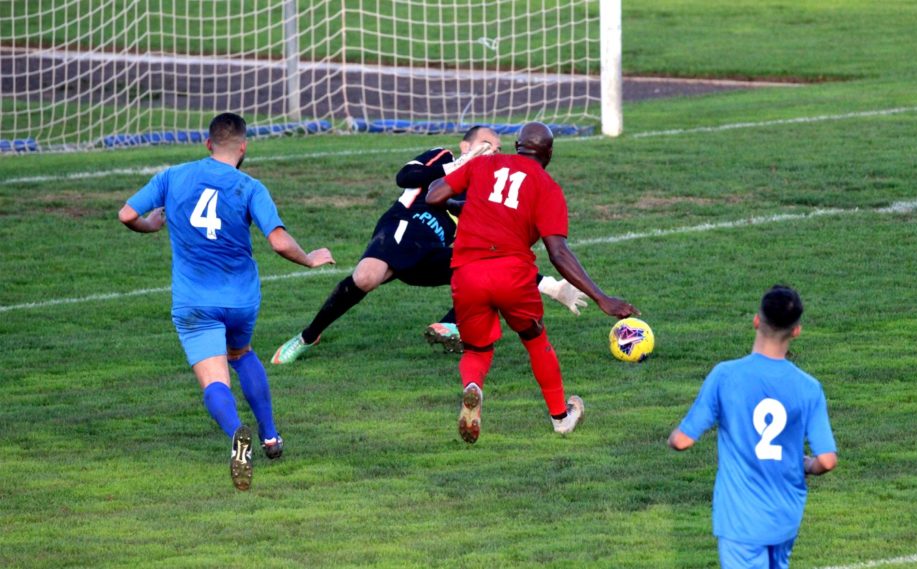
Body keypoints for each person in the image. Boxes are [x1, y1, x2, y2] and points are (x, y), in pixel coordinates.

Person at [118, 112, 334, 491]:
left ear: (207, 144)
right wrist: (311, 257)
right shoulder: (250, 187)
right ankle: (270, 437)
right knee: (241, 353)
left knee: (214, 380)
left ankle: (238, 434)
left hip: (194, 303)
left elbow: (127, 214)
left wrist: (150, 224)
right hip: (240, 300)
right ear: (244, 146)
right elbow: (279, 242)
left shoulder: (173, 176)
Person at [271, 126, 587, 364]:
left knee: (488, 270)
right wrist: (458, 163)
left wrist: (552, 286)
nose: (491, 151)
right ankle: (308, 336)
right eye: (485, 144)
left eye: (498, 148)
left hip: (433, 250)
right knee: (366, 277)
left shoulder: (485, 181)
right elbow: (406, 176)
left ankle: (450, 326)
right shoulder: (445, 157)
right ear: (466, 144)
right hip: (404, 227)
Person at [425, 122, 639, 443]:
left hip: (467, 271)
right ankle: (560, 417)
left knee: (477, 349)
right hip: (512, 276)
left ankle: (473, 389)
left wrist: (462, 192)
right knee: (535, 339)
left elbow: (433, 196)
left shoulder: (484, 163)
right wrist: (600, 297)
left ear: (516, 145)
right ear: (549, 154)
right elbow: (558, 253)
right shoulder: (547, 186)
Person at [668, 285, 838, 569]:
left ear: (756, 321)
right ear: (796, 331)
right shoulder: (809, 387)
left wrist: (673, 436)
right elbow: (827, 460)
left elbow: (682, 440)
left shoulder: (726, 375)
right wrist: (807, 465)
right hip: (785, 515)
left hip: (740, 518)